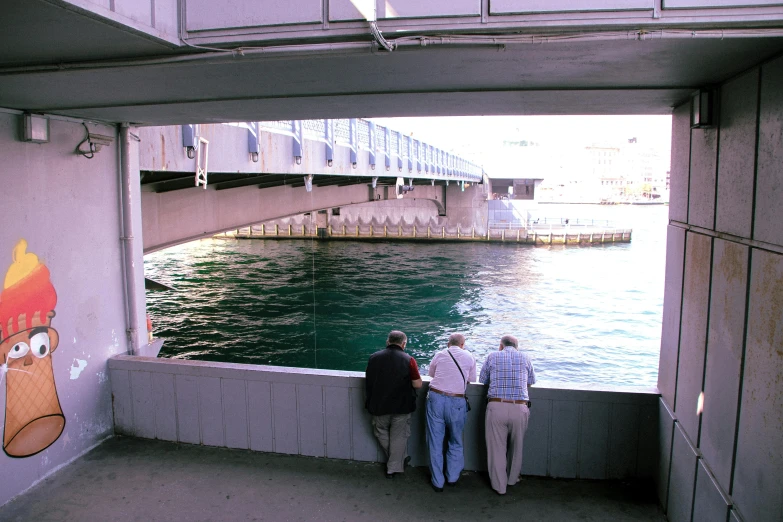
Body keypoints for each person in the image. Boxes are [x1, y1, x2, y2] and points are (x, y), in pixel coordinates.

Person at [479, 335, 536, 495]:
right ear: (517, 346)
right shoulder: (526, 357)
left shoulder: (492, 356)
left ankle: (499, 486)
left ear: (500, 346)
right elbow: (531, 381)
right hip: (520, 407)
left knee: (496, 448)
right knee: (517, 446)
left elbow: (483, 380)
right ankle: (512, 479)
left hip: (496, 406)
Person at [365, 330, 423, 478]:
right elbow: (417, 384)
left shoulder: (373, 358)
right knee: (399, 437)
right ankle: (395, 465)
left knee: (380, 432)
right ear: (404, 344)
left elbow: (369, 379)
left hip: (378, 405)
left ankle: (394, 464)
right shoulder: (409, 360)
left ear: (387, 342)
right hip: (402, 406)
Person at [425, 333, 477, 492]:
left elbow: (431, 374)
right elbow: (472, 379)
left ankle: (437, 481)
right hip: (457, 401)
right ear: (463, 344)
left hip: (436, 398)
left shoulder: (440, 354)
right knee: (455, 440)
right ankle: (452, 477)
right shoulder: (469, 356)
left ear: (448, 344)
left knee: (435, 441)